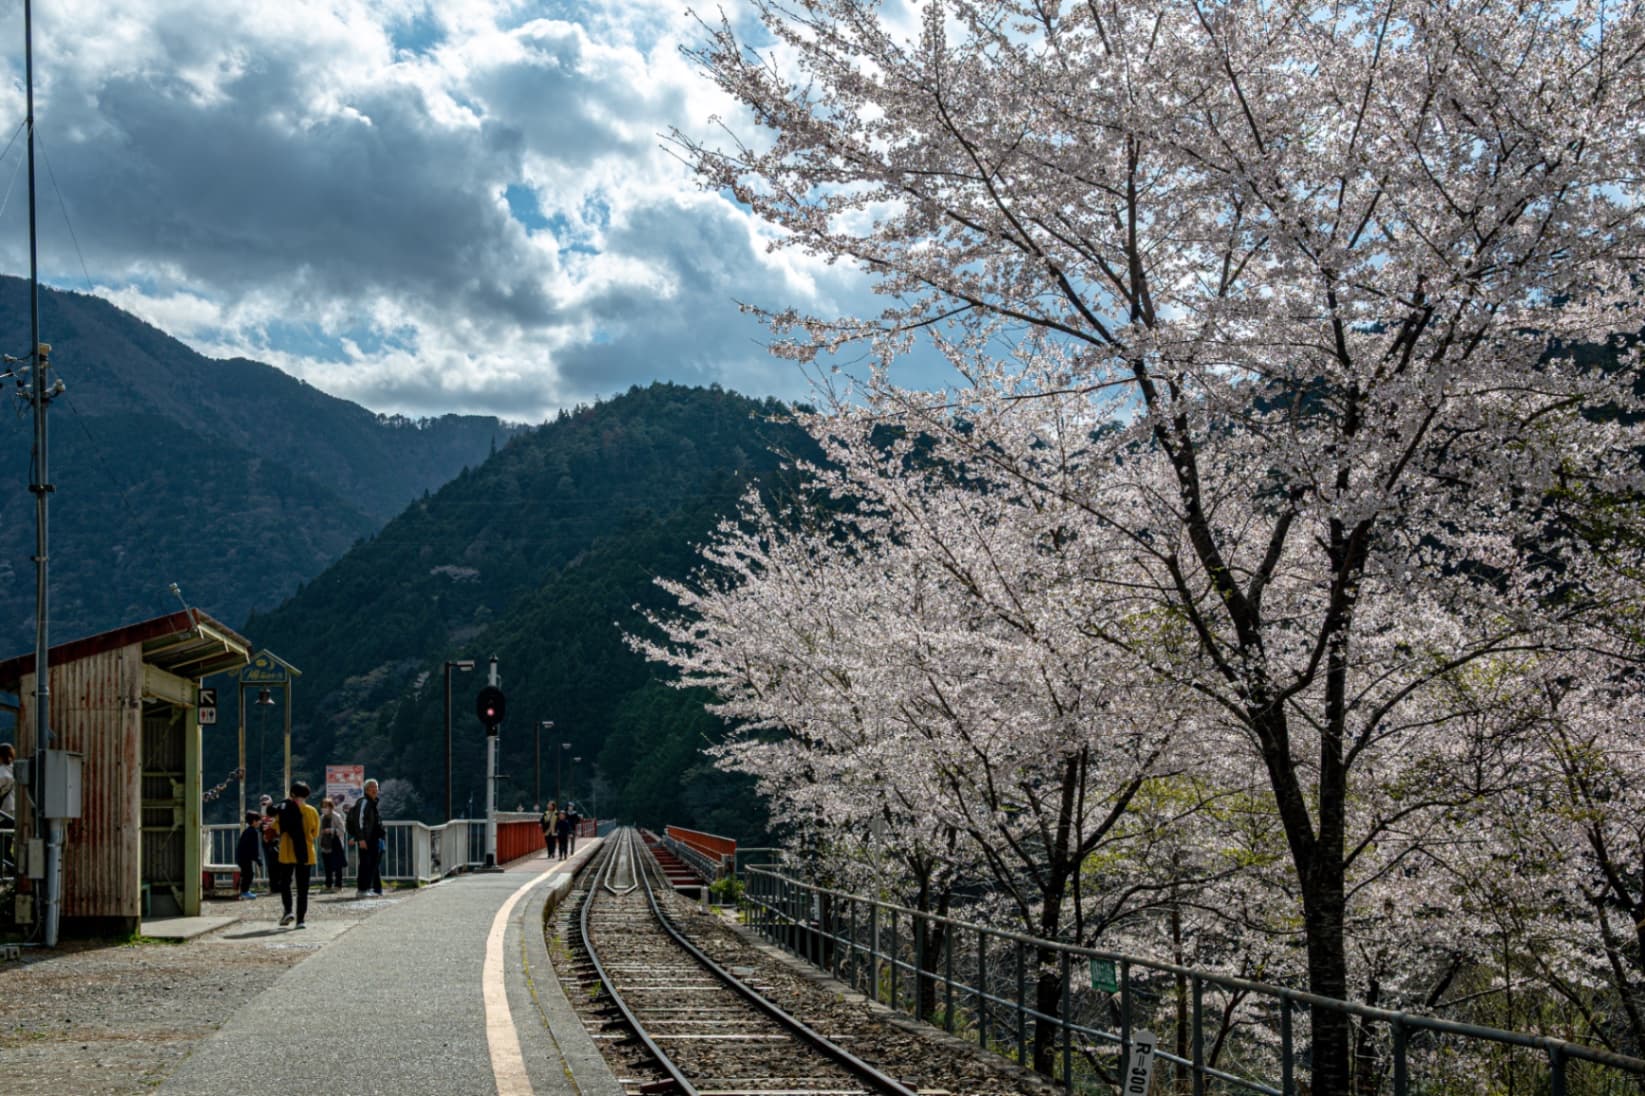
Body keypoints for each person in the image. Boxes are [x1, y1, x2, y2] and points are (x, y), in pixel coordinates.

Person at [271, 780, 319, 928]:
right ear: (307, 795)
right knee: (303, 888)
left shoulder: (284, 809)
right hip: (306, 853)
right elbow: (315, 833)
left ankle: (288, 911)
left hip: (287, 852)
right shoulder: (311, 811)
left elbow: (277, 828)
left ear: (292, 794)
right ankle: (301, 920)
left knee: (285, 883)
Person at [347, 778, 386, 896]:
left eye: (376, 787)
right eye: (372, 787)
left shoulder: (373, 803)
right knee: (365, 864)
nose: (375, 790)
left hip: (375, 839)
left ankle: (375, 889)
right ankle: (363, 889)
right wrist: (361, 838)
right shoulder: (364, 802)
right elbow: (359, 821)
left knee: (374, 864)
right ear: (366, 790)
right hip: (367, 840)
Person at [318, 796, 348, 891]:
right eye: (323, 806)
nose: (324, 808)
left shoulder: (336, 816)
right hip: (325, 845)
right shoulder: (321, 817)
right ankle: (328, 884)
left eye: (326, 806)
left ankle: (338, 885)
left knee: (337, 866)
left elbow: (342, 830)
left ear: (331, 807)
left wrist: (331, 830)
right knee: (327, 866)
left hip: (335, 845)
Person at [234, 811, 262, 900]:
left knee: (246, 874)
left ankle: (244, 891)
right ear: (254, 821)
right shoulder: (253, 832)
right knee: (248, 874)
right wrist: (257, 859)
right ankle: (244, 892)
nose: (259, 822)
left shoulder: (247, 831)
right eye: (258, 820)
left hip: (242, 857)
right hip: (245, 858)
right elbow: (254, 848)